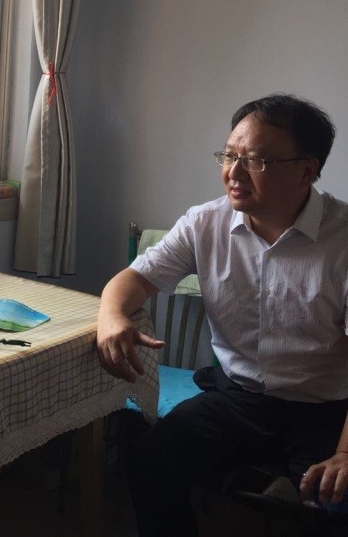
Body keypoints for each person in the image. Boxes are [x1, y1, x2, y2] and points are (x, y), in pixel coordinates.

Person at [95, 94, 348, 535]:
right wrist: (112, 316)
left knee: (333, 501)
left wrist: (345, 454)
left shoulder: (341, 239)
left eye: (256, 161)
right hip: (240, 400)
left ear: (307, 170)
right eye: (229, 156)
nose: (234, 173)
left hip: (325, 411)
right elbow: (133, 279)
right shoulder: (205, 223)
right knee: (152, 461)